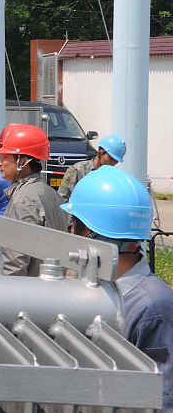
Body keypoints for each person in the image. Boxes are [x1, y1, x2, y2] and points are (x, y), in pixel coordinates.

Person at [63, 166, 173, 406]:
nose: (70, 232)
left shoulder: (153, 307)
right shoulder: (98, 289)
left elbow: (164, 400)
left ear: (90, 233)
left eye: (73, 223)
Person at [0, 123, 70, 276]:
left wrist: (5, 289)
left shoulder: (24, 200)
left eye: (4, 157)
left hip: (30, 288)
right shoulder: (51, 193)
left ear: (22, 162)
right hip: (52, 284)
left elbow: (14, 264)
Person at [58, 132, 126, 201]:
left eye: (116, 160)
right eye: (111, 158)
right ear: (100, 152)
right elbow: (61, 199)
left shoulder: (113, 177)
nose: (113, 163)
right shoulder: (77, 170)